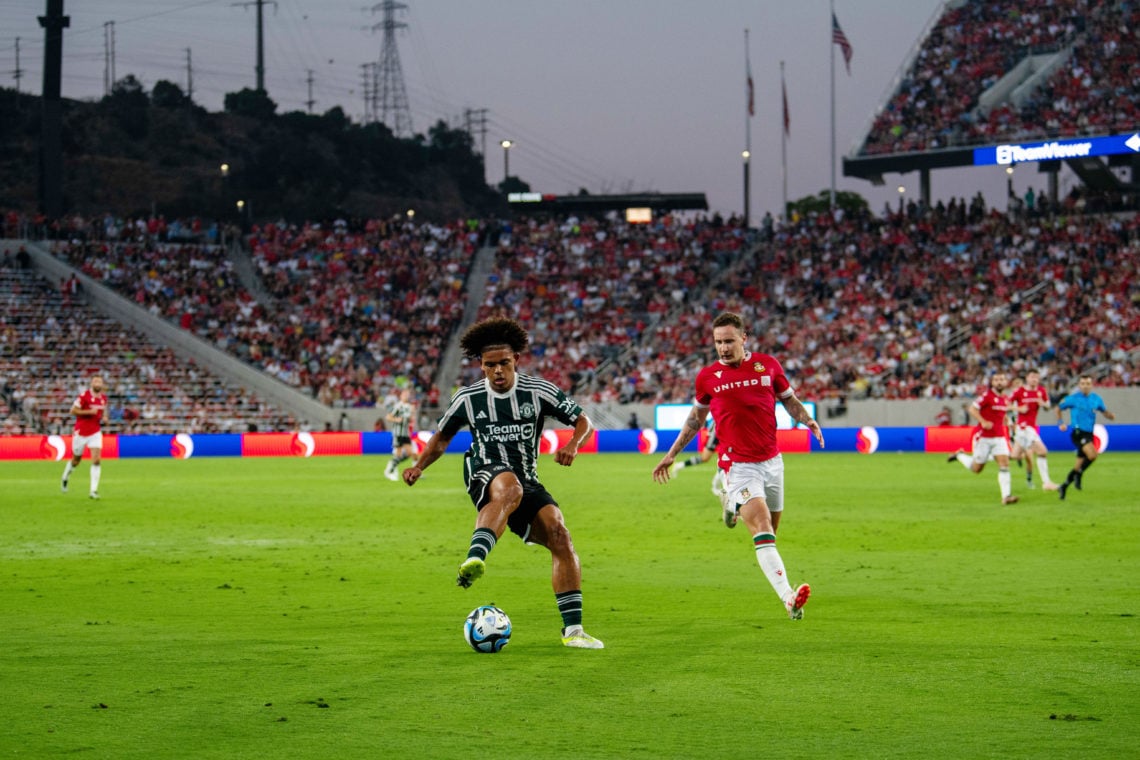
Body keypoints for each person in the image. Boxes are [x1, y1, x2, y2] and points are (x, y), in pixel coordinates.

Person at [402, 317, 603, 649]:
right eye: (490, 365)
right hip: (484, 470)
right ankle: (476, 558)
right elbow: (441, 438)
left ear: (516, 361)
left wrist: (572, 444)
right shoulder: (468, 398)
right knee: (509, 487)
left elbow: (583, 419)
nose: (497, 371)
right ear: (481, 366)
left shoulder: (539, 391)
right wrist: (418, 466)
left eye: (504, 363)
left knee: (560, 536)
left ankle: (574, 632)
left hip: (527, 476)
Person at [652, 311, 823, 621]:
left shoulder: (767, 365)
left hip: (772, 463)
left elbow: (789, 400)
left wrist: (808, 420)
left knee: (771, 532)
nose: (723, 348)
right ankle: (788, 599)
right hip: (738, 466)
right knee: (762, 528)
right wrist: (672, 453)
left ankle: (730, 505)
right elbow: (695, 420)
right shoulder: (707, 377)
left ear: (744, 338)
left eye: (729, 341)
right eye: (718, 342)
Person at [948, 372, 1020, 505]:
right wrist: (983, 421)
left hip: (999, 437)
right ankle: (959, 455)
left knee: (1004, 464)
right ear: (992, 383)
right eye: (996, 380)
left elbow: (1000, 414)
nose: (999, 382)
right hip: (984, 437)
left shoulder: (1005, 398)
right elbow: (972, 409)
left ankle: (1006, 496)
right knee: (977, 469)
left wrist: (1008, 421)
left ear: (1005, 383)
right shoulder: (986, 396)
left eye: (1002, 379)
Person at [1055, 374, 1116, 500]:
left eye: (1088, 383)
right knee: (1093, 455)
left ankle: (1064, 486)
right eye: (1082, 384)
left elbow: (1103, 411)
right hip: (1078, 432)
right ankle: (1079, 474)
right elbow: (1058, 408)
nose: (1085, 386)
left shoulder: (1096, 399)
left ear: (1091, 385)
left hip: (1089, 433)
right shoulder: (1073, 399)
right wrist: (1060, 423)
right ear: (1079, 385)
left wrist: (1109, 415)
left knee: (1078, 465)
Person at [1008, 369, 1058, 490]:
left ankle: (993, 453)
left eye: (1036, 377)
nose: (1034, 379)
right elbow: (1005, 404)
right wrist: (1019, 409)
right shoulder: (1019, 391)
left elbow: (1048, 406)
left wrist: (1043, 404)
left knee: (1014, 456)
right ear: (1027, 378)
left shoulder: (1041, 391)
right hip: (1023, 428)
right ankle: (1046, 483)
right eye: (1032, 377)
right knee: (1042, 451)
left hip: (1030, 427)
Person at [61, 375, 109, 499]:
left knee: (96, 460)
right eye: (96, 381)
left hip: (95, 432)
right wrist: (89, 412)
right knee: (76, 460)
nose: (98, 383)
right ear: (91, 384)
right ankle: (65, 477)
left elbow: (103, 411)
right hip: (81, 432)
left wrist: (105, 418)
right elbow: (73, 411)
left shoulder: (103, 398)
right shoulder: (84, 396)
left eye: (100, 381)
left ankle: (93, 491)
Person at [384, 388, 416, 481]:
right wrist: (396, 420)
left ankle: (391, 468)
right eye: (405, 394)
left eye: (408, 394)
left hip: (405, 433)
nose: (406, 396)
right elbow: (388, 417)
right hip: (398, 433)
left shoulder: (409, 407)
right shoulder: (398, 406)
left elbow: (409, 420)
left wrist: (412, 415)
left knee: (411, 453)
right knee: (399, 454)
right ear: (401, 395)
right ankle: (390, 471)